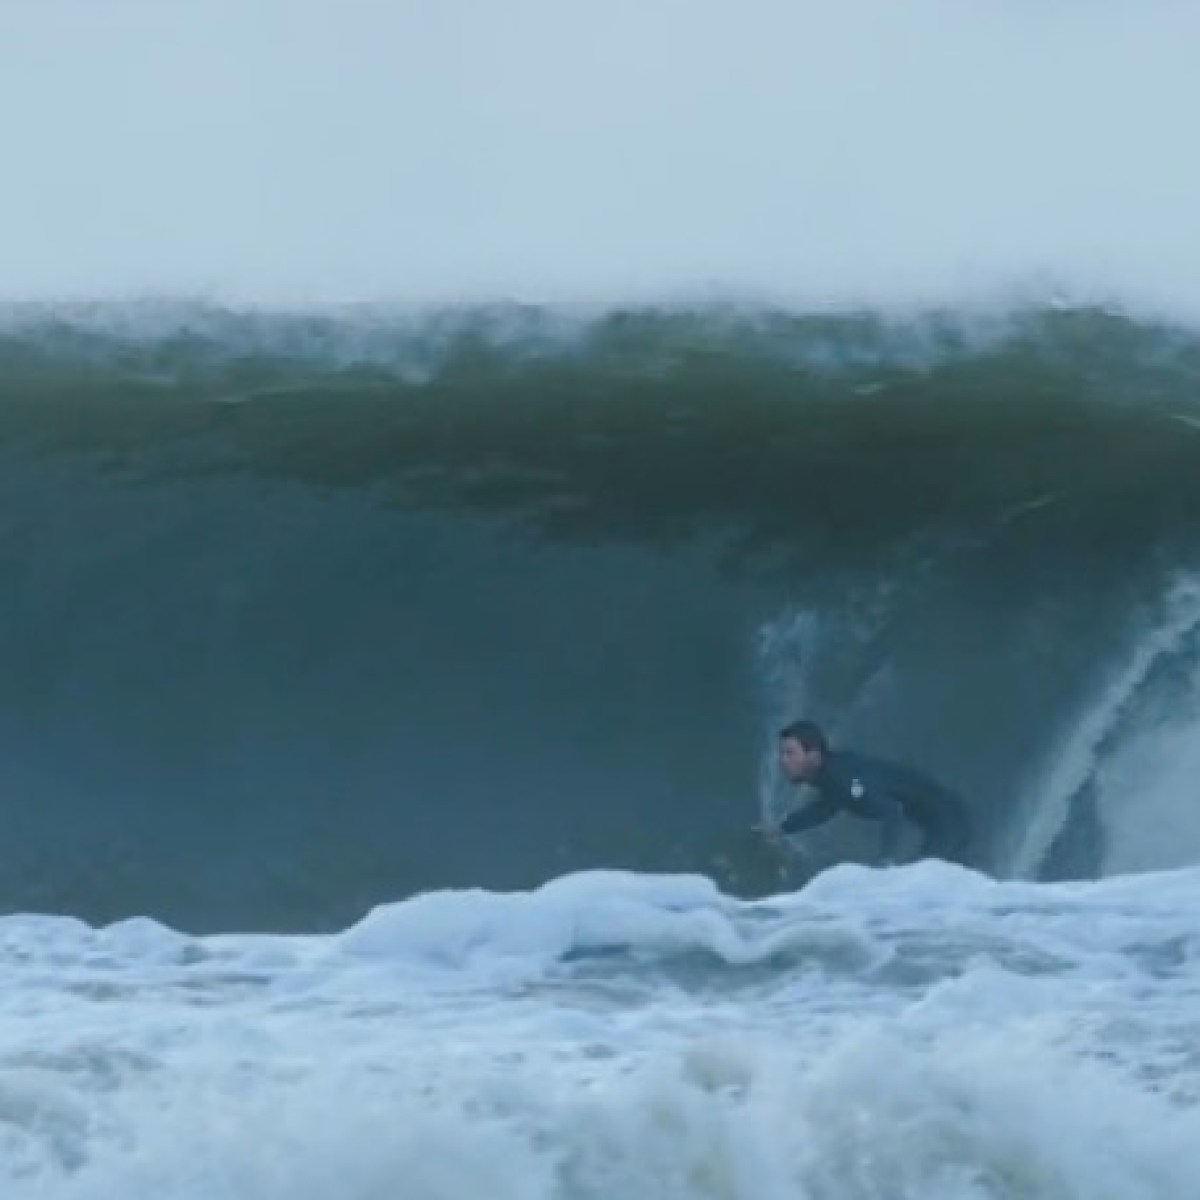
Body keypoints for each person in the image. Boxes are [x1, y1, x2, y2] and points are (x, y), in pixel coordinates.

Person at [756, 719, 972, 868]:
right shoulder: (831, 777)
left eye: (790, 753)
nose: (783, 761)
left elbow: (891, 810)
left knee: (923, 883)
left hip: (948, 818)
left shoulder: (844, 779)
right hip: (940, 819)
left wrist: (886, 860)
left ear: (813, 754)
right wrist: (782, 828)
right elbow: (823, 810)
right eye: (782, 753)